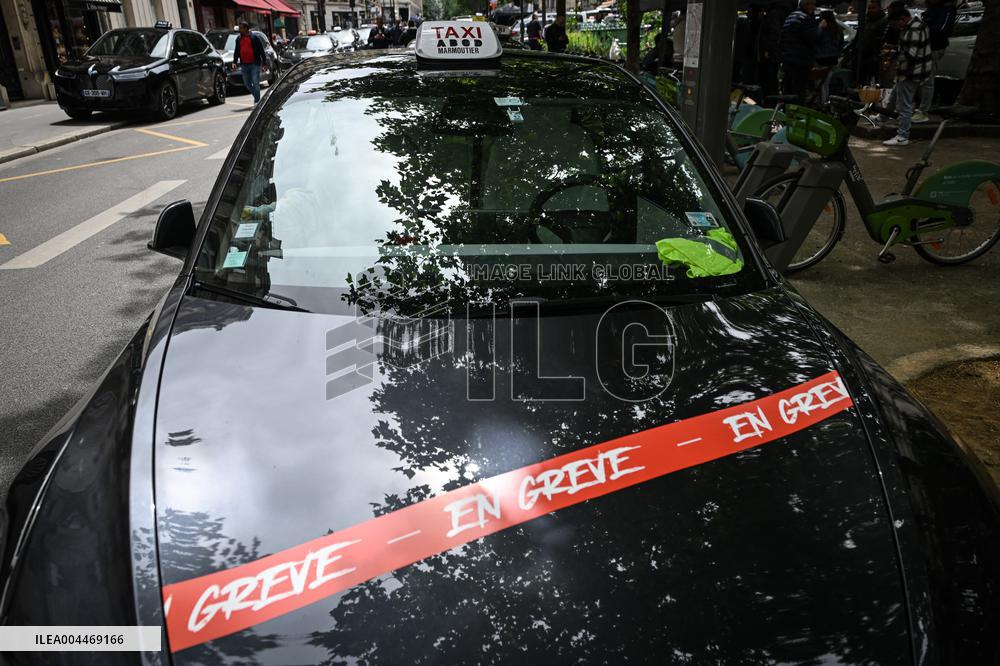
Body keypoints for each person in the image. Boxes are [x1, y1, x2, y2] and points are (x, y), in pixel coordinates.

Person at [883, 5, 932, 146]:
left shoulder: (913, 29)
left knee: (904, 105)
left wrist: (892, 55)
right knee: (895, 95)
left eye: (896, 23)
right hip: (915, 71)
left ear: (903, 19)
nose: (896, 26)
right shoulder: (919, 25)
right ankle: (882, 117)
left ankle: (902, 136)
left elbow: (910, 54)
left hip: (911, 72)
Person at [918, 0, 956, 118]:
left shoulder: (947, 10)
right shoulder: (932, 10)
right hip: (924, 46)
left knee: (927, 79)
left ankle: (924, 109)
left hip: (934, 47)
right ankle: (921, 106)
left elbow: (941, 29)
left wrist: (923, 29)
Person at [780, 0, 818, 101]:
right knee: (799, 91)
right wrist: (820, 29)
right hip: (800, 60)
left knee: (788, 89)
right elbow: (812, 38)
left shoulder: (790, 16)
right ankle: (797, 113)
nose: (814, 8)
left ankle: (785, 112)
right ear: (806, 5)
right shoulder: (805, 18)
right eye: (813, 5)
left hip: (788, 58)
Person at [756, 2, 787, 99]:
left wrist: (768, 50)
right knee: (771, 79)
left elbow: (774, 33)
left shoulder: (773, 14)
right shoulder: (778, 13)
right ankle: (771, 101)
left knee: (768, 79)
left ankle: (769, 101)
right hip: (774, 53)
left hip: (770, 54)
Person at [855, 0, 887, 86]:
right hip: (863, 55)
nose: (871, 10)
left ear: (879, 8)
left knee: (874, 82)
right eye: (869, 8)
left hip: (875, 56)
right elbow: (859, 37)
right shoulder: (866, 20)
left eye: (873, 8)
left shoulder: (884, 21)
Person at [234, 21, 267, 104]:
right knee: (247, 84)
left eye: (241, 28)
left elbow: (261, 50)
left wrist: (264, 63)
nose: (240, 30)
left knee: (255, 83)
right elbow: (237, 51)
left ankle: (257, 101)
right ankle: (257, 98)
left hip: (254, 64)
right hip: (244, 65)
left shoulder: (254, 37)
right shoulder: (238, 39)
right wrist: (234, 61)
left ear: (246, 28)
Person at [815, 9, 844, 101]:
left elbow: (816, 38)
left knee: (820, 83)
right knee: (827, 82)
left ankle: (823, 101)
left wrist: (820, 27)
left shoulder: (823, 27)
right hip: (832, 59)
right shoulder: (837, 28)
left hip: (821, 58)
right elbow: (841, 43)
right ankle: (827, 100)